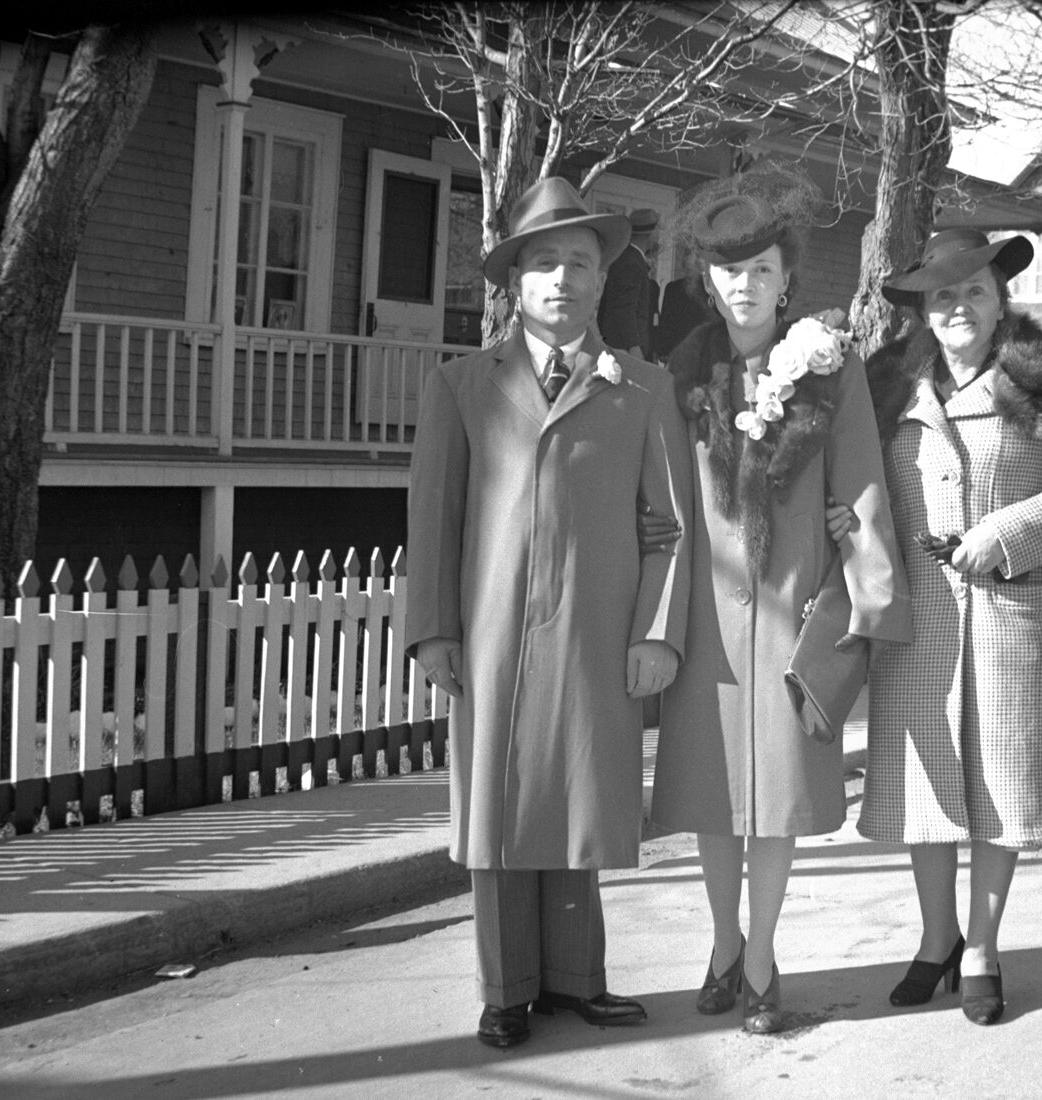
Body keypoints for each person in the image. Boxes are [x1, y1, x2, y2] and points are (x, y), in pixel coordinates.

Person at [405, 176, 694, 1050]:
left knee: (578, 800)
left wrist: (655, 632)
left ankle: (576, 980)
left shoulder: (641, 387)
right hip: (490, 634)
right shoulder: (461, 384)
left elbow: (670, 527)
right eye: (542, 264)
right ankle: (504, 990)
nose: (561, 279)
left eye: (578, 263)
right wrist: (434, 630)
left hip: (593, 629)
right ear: (514, 281)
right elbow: (433, 519)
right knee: (498, 809)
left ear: (601, 280)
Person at [649, 161, 912, 1035]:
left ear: (786, 278)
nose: (746, 285)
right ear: (707, 280)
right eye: (729, 270)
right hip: (707, 622)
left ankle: (760, 956)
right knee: (711, 797)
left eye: (762, 269)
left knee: (776, 803)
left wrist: (858, 588)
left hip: (794, 612)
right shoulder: (678, 377)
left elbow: (861, 487)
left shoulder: (831, 371)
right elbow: (661, 503)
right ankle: (722, 944)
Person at [856, 228, 1042, 1027]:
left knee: (1000, 784)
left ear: (1001, 299)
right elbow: (856, 483)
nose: (958, 306)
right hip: (916, 614)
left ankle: (982, 950)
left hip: (1010, 608)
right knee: (923, 784)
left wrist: (1002, 535)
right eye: (942, 295)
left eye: (974, 290)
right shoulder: (886, 385)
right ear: (922, 310)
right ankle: (937, 939)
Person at [597, 208, 660, 357]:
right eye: (658, 229)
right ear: (649, 233)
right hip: (624, 348)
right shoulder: (631, 262)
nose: (659, 235)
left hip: (621, 345)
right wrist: (634, 346)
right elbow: (624, 308)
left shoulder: (630, 258)